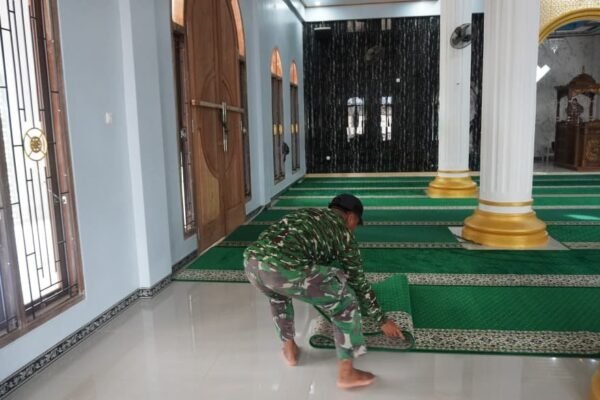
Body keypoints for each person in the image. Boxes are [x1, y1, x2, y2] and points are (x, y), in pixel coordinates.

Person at [243, 194, 404, 389]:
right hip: (283, 269)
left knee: (279, 296)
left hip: (251, 263)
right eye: (356, 224)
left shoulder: (305, 213)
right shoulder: (343, 233)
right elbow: (358, 281)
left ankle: (289, 350)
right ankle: (347, 373)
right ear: (351, 217)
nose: (354, 229)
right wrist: (381, 320)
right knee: (346, 298)